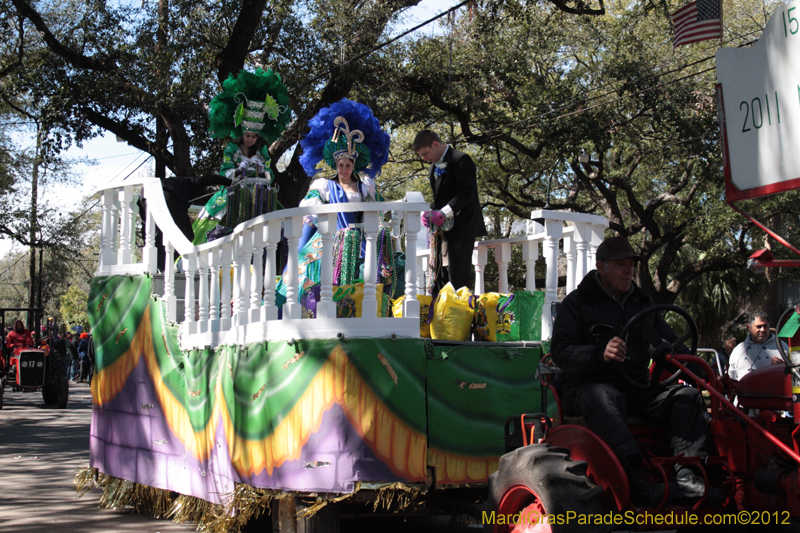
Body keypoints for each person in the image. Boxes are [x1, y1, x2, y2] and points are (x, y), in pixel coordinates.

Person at [551, 236, 713, 507]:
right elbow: (561, 352)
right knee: (603, 395)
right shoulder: (578, 302)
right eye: (620, 265)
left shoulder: (641, 303)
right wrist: (598, 353)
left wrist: (701, 373)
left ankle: (686, 471)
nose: (628, 270)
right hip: (584, 388)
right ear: (601, 267)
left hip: (635, 387)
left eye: (630, 265)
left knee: (686, 396)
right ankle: (632, 474)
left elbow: (670, 345)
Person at [276, 98, 392, 308]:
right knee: (309, 271)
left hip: (360, 240)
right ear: (336, 165)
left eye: (348, 165)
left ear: (353, 166)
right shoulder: (324, 186)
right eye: (341, 165)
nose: (344, 169)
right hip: (329, 238)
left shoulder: (366, 186)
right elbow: (308, 206)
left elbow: (379, 208)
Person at [193, 68, 292, 244]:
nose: (250, 139)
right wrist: (237, 170)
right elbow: (223, 173)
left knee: (276, 224)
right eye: (248, 135)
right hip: (231, 195)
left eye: (254, 137)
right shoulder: (231, 149)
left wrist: (262, 171)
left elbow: (269, 175)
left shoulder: (262, 151)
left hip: (258, 196)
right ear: (242, 133)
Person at [413, 130, 486, 294]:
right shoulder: (433, 168)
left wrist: (442, 214)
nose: (424, 158)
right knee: (439, 277)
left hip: (462, 229)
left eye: (425, 153)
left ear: (435, 144)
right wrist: (429, 211)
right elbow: (440, 199)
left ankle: (461, 317)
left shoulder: (461, 159)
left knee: (458, 279)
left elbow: (466, 194)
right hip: (442, 232)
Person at [727, 310, 787, 381]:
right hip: (743, 391)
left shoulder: (782, 347)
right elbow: (732, 377)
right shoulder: (739, 350)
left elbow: (794, 373)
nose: (762, 330)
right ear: (748, 327)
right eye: (759, 326)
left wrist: (783, 367)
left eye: (765, 326)